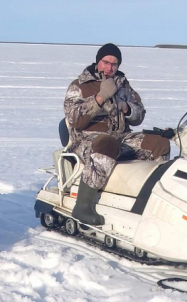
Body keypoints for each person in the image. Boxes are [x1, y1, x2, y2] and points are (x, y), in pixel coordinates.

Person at [64, 43, 170, 226]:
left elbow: (139, 115)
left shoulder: (123, 84)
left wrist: (127, 108)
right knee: (107, 143)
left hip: (121, 137)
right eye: (106, 62)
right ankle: (83, 206)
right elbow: (75, 120)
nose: (109, 68)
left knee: (160, 143)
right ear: (98, 62)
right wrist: (100, 98)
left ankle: (153, 199)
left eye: (114, 64)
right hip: (88, 140)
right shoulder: (79, 86)